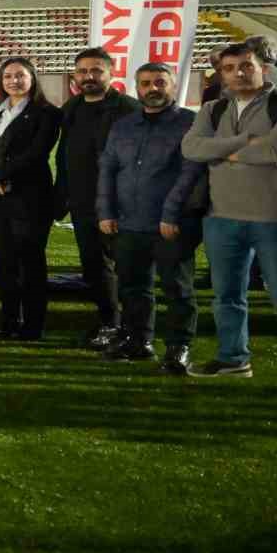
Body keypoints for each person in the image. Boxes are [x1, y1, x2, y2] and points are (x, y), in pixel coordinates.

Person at [182, 41, 277, 396]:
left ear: (263, 68)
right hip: (222, 216)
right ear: (220, 73)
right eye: (230, 67)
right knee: (226, 296)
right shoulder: (213, 107)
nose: (239, 72)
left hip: (275, 216)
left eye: (246, 65)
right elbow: (191, 148)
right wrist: (243, 143)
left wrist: (225, 152)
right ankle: (233, 359)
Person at [97, 62, 205, 372]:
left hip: (172, 223)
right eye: (145, 83)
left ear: (172, 86)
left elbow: (191, 174)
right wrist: (105, 211)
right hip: (128, 221)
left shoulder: (189, 123)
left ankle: (178, 347)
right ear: (137, 87)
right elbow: (108, 169)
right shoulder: (124, 125)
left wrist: (171, 215)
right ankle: (138, 341)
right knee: (132, 286)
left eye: (160, 82)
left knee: (177, 288)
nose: (152, 88)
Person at [55, 46, 138, 348]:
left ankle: (132, 327)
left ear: (110, 73)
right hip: (81, 203)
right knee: (94, 266)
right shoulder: (71, 108)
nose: (88, 77)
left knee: (125, 267)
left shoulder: (128, 108)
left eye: (96, 71)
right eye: (82, 71)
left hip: (119, 203)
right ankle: (109, 323)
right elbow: (65, 157)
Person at [0, 56, 62, 341]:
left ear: (32, 78)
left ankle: (33, 325)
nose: (14, 80)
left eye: (20, 75)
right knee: (3, 264)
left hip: (30, 199)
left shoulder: (46, 113)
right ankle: (9, 320)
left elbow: (37, 152)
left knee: (30, 264)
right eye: (8, 76)